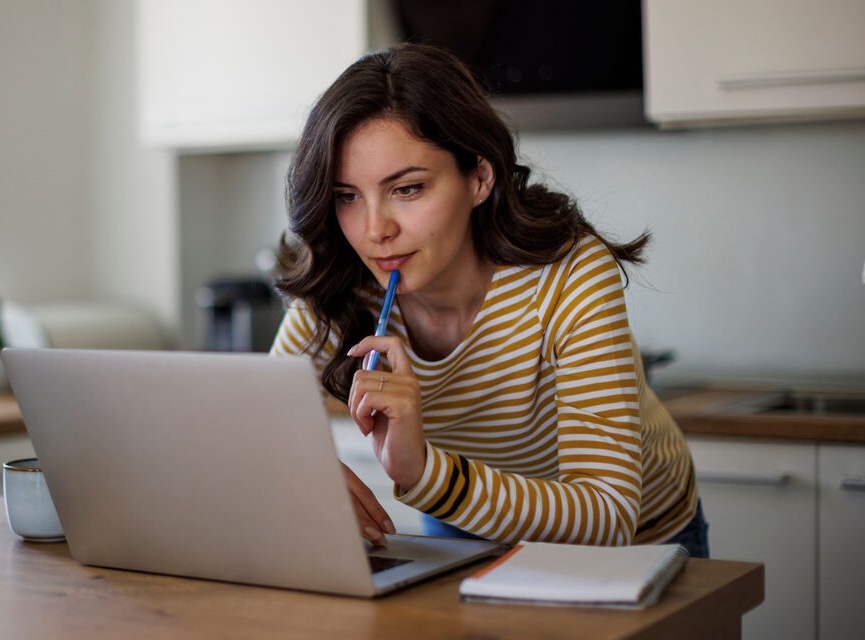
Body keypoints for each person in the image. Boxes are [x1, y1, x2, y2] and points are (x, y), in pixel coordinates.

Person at [269, 44, 708, 558]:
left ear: (479, 177)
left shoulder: (569, 273)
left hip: (638, 543)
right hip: (467, 525)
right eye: (347, 196)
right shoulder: (344, 281)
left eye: (407, 189)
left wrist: (426, 474)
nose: (374, 231)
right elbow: (257, 426)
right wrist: (303, 470)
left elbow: (608, 512)